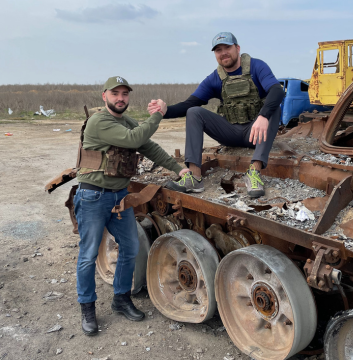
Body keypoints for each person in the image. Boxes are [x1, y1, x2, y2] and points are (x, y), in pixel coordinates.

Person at [74, 76, 189, 336]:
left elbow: (149, 147)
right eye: (115, 93)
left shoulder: (127, 121)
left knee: (130, 248)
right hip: (93, 196)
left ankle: (121, 299)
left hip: (119, 198)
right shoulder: (99, 121)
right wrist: (158, 114)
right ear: (105, 96)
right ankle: (87, 308)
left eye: (125, 94)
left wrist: (178, 168)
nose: (121, 98)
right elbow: (132, 138)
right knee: (88, 254)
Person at [148, 32, 284, 198]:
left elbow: (277, 90)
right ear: (215, 54)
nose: (223, 52)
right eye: (218, 50)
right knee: (194, 112)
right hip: (230, 132)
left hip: (256, 134)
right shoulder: (215, 78)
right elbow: (189, 104)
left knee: (273, 107)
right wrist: (164, 110)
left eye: (227, 47)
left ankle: (254, 172)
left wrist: (263, 116)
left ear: (237, 48)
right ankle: (194, 177)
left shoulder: (257, 67)